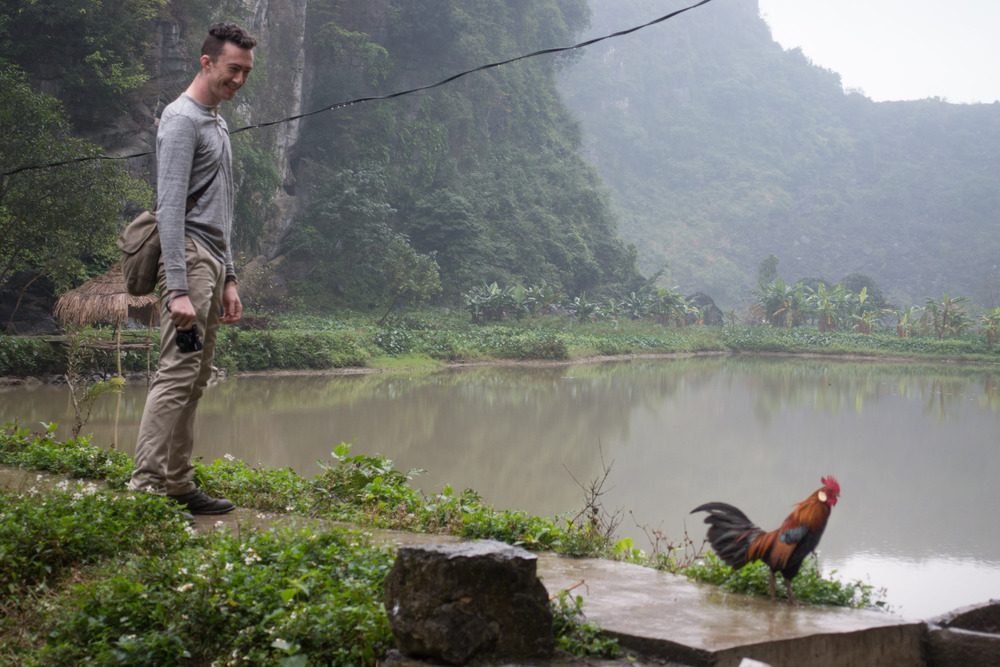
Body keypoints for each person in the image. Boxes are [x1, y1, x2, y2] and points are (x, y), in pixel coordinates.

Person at [128, 22, 256, 515]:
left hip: (211, 266)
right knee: (177, 374)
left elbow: (219, 213)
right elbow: (170, 209)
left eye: (246, 72)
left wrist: (230, 278)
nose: (239, 80)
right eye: (232, 69)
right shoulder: (181, 119)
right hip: (189, 264)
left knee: (196, 377)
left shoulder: (216, 121)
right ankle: (144, 487)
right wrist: (178, 288)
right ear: (207, 63)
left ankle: (178, 484)